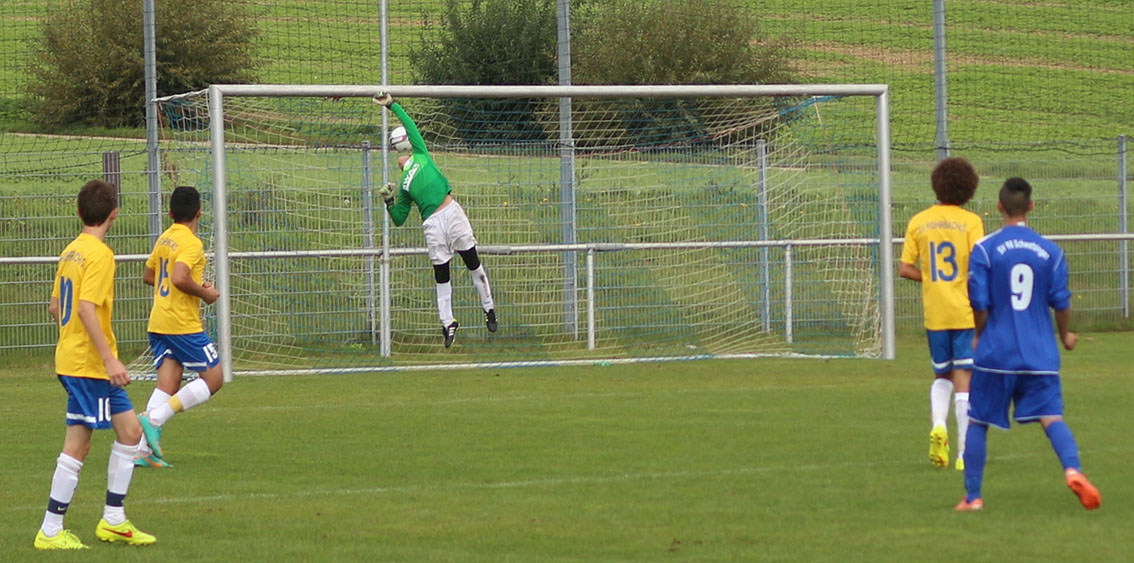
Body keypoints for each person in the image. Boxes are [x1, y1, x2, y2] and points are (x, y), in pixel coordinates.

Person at [955, 177, 1101, 511]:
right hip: (1040, 354)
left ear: (999, 207)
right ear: (1031, 207)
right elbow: (1061, 301)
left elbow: (979, 302)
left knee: (978, 421)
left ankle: (973, 497)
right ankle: (1073, 470)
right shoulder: (1051, 251)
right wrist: (1064, 335)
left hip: (996, 353)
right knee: (1052, 417)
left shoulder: (985, 249)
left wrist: (979, 334)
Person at [35, 179, 155, 549]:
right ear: (114, 214)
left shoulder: (71, 251)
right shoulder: (100, 254)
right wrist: (109, 358)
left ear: (79, 212)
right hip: (89, 365)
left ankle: (114, 520)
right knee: (79, 445)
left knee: (131, 432)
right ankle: (51, 530)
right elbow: (85, 307)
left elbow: (57, 306)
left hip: (75, 359)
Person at [373, 92, 497, 348]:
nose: (398, 155)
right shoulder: (405, 186)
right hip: (432, 224)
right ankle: (447, 323)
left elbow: (411, 125)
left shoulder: (421, 154)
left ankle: (489, 308)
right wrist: (389, 201)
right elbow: (399, 219)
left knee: (473, 262)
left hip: (451, 213)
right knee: (442, 275)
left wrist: (392, 105)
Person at [899, 157, 984, 471]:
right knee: (965, 380)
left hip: (934, 313)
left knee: (941, 376)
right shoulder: (972, 222)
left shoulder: (919, 221)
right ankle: (964, 452)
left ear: (936, 185)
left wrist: (931, 278)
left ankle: (938, 424)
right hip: (963, 312)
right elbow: (978, 267)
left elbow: (905, 268)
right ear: (969, 188)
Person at [135, 186, 223, 467]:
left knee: (168, 383)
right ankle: (155, 419)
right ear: (199, 212)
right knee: (214, 378)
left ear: (171, 213)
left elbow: (150, 275)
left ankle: (143, 452)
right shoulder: (191, 243)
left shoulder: (166, 238)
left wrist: (189, 285)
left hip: (159, 320)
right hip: (180, 323)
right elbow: (179, 278)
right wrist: (205, 293)